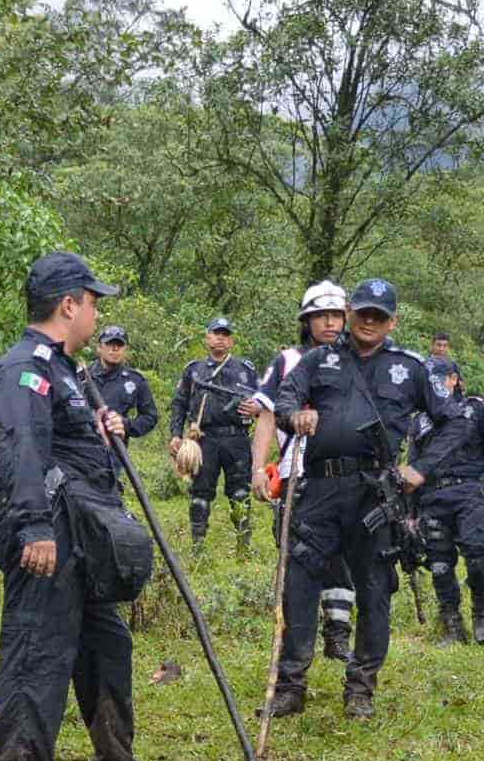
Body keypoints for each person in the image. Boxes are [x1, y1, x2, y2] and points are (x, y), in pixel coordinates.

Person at [0, 252, 164, 761]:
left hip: (83, 532)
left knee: (107, 644)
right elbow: (20, 450)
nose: (96, 314)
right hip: (46, 531)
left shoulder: (69, 370)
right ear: (68, 305)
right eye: (93, 302)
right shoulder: (24, 368)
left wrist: (104, 433)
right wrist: (34, 528)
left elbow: (67, 446)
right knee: (39, 647)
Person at [262, 277, 432, 721]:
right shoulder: (319, 360)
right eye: (363, 313)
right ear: (350, 313)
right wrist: (295, 413)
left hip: (375, 494)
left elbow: (451, 422)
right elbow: (284, 397)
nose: (369, 322)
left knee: (374, 589)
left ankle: (361, 688)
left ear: (392, 321)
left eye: (380, 315)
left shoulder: (410, 368)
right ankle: (290, 685)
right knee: (300, 582)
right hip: (318, 489)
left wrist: (422, 467)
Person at [252, 285, 357, 662]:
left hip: (344, 475)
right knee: (298, 555)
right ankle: (296, 644)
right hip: (296, 470)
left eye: (336, 315)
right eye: (320, 315)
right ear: (307, 320)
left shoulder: (355, 360)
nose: (329, 322)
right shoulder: (288, 360)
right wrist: (258, 469)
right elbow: (265, 414)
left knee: (341, 556)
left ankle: (338, 631)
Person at [414, 350, 484, 644]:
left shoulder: (475, 409)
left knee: (477, 555)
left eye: (440, 380)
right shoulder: (420, 420)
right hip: (433, 497)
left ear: (454, 380)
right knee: (440, 565)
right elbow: (413, 465)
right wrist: (411, 511)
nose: (435, 386)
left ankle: (481, 614)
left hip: (469, 492)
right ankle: (453, 627)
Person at [169, 317, 262, 551]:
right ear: (207, 337)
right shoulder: (194, 370)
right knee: (200, 495)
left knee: (240, 493)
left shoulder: (246, 370)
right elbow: (179, 403)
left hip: (236, 439)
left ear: (231, 340)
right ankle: (197, 547)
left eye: (225, 334)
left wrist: (257, 408)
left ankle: (243, 546)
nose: (220, 338)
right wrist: (175, 435)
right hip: (204, 439)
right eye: (216, 333)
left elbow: (264, 402)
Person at [89, 325, 158, 441]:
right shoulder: (81, 377)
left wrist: (125, 425)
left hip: (116, 450)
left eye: (120, 344)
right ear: (99, 347)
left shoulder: (136, 380)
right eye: (109, 343)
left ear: (125, 349)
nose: (115, 348)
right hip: (83, 449)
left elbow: (150, 416)